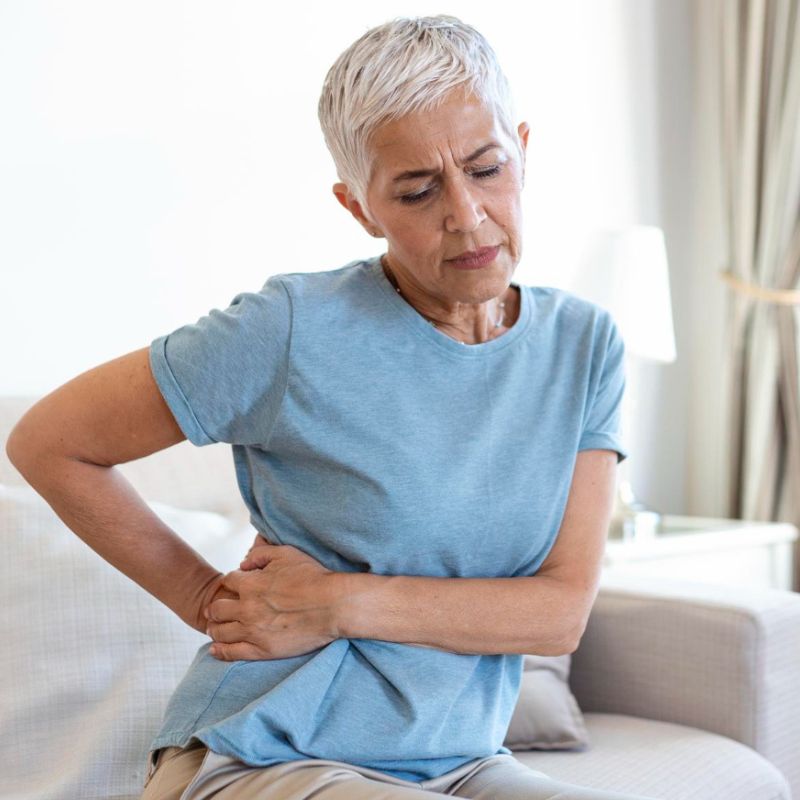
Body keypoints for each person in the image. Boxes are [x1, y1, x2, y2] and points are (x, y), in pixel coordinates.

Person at [5, 14, 657, 800]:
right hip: (263, 755)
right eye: (417, 190)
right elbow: (50, 442)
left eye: (487, 168)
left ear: (523, 147)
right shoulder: (290, 330)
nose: (466, 214)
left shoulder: (585, 345)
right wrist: (206, 600)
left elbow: (556, 615)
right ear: (358, 207)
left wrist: (335, 602)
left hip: (461, 762)